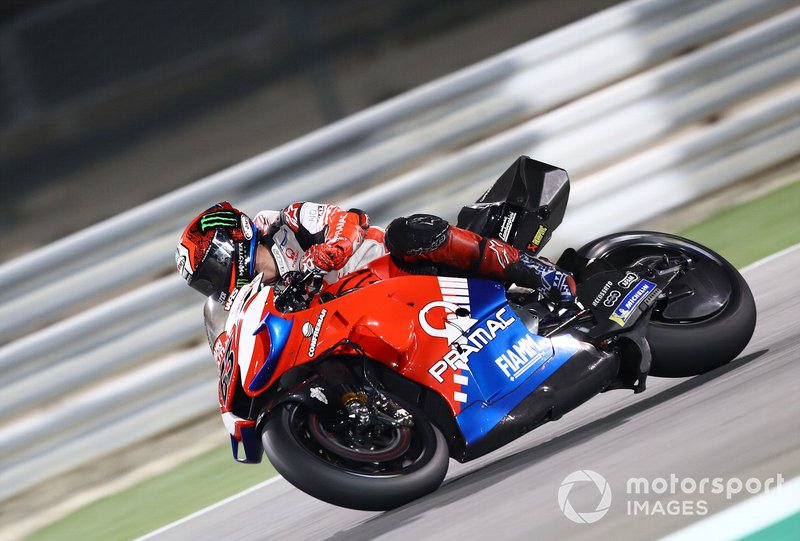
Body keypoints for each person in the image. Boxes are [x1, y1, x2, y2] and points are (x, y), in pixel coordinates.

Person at [176, 200, 576, 346]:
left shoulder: (289, 221)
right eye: (204, 284)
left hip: (400, 273)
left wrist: (328, 253)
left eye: (210, 274)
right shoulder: (257, 305)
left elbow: (350, 220)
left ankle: (539, 273)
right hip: (375, 325)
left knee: (408, 231)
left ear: (230, 248)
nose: (212, 286)